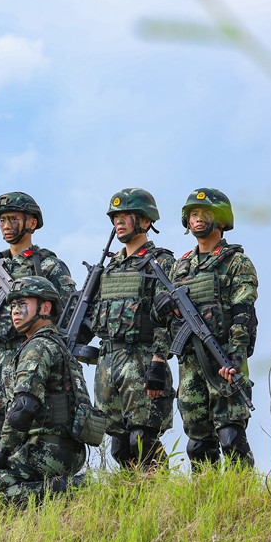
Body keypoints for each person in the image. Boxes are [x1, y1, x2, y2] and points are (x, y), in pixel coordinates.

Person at [155, 188, 258, 471]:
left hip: (224, 358)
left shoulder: (236, 262)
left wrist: (235, 356)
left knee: (230, 434)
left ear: (222, 220)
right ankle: (205, 499)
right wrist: (162, 307)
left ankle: (242, 494)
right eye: (194, 215)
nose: (198, 219)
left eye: (206, 214)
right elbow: (165, 324)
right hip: (190, 364)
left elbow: (243, 313)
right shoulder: (179, 268)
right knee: (198, 441)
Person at [0, 276, 93, 507]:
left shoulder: (37, 347)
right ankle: (59, 488)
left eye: (22, 304)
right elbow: (38, 404)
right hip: (66, 447)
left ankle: (67, 490)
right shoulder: (55, 343)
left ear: (45, 307)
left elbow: (24, 409)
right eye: (12, 306)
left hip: (49, 448)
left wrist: (1, 453)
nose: (15, 312)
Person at [89, 188, 176, 470]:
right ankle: (135, 496)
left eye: (126, 216)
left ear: (145, 221)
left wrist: (159, 361)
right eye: (115, 217)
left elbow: (171, 316)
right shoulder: (109, 267)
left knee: (143, 436)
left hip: (142, 357)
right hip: (108, 359)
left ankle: (161, 492)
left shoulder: (161, 262)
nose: (119, 222)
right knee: (118, 441)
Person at [0, 192, 75, 414]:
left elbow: (68, 316)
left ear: (32, 223)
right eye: (2, 220)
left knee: (28, 423)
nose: (7, 225)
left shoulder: (47, 266)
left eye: (13, 219)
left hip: (32, 359)